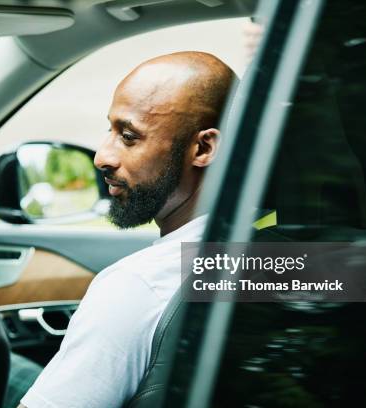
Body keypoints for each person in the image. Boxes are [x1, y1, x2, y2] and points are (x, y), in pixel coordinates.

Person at [13, 51, 236, 408]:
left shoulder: (138, 287)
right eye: (110, 130)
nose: (102, 156)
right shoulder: (292, 255)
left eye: (129, 136)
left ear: (203, 147)